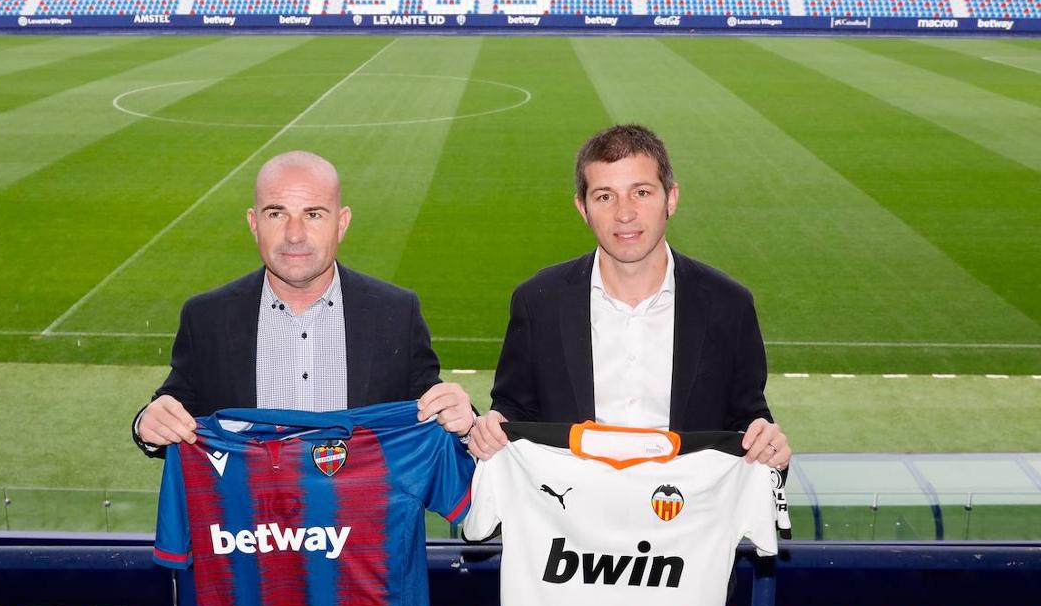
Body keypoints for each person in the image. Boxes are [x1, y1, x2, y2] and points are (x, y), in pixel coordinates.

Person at [467, 124, 790, 469]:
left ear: (672, 198)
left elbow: (746, 419)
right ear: (583, 208)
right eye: (605, 196)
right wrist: (495, 426)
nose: (624, 214)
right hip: (575, 515)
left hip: (686, 515)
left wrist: (765, 441)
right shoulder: (538, 302)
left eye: (641, 193)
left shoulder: (729, 306)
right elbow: (516, 410)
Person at [133, 150, 473, 454]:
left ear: (341, 224)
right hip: (252, 523)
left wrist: (464, 420)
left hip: (362, 523)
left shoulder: (396, 313)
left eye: (313, 214)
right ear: (254, 223)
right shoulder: (207, 318)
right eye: (277, 214)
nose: (294, 234)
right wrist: (148, 425)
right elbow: (175, 411)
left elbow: (433, 408)